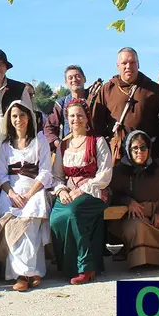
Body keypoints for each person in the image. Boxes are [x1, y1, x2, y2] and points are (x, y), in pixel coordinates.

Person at [49, 99, 112, 285]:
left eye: (79, 115)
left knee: (74, 213)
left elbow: (105, 174)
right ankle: (68, 267)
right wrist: (61, 191)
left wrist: (82, 189)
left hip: (96, 191)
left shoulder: (98, 142)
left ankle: (86, 267)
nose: (75, 119)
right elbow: (57, 176)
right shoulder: (64, 146)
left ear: (86, 119)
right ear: (66, 119)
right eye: (72, 116)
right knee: (55, 219)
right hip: (69, 192)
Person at [0, 101, 52, 292]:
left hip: (33, 188)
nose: (19, 119)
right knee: (11, 224)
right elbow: (0, 174)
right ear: (9, 119)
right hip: (11, 190)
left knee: (30, 224)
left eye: (22, 115)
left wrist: (28, 194)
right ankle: (24, 274)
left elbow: (45, 172)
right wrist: (11, 194)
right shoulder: (5, 145)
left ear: (29, 117)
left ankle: (26, 273)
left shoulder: (39, 140)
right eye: (14, 116)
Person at [107, 130, 159, 268]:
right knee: (136, 228)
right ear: (128, 150)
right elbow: (112, 194)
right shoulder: (119, 171)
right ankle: (145, 259)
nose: (139, 152)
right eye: (134, 148)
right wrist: (127, 201)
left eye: (143, 147)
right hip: (137, 216)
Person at [91, 47, 159, 161]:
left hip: (145, 152)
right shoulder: (107, 89)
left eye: (132, 62)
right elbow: (98, 124)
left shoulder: (153, 89)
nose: (128, 66)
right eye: (124, 63)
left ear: (138, 64)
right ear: (118, 65)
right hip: (117, 153)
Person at [44, 65, 87, 151]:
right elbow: (49, 128)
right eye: (70, 78)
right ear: (66, 83)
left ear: (84, 79)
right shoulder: (62, 103)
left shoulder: (94, 99)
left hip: (92, 147)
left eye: (77, 76)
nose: (74, 79)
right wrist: (59, 143)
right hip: (71, 150)